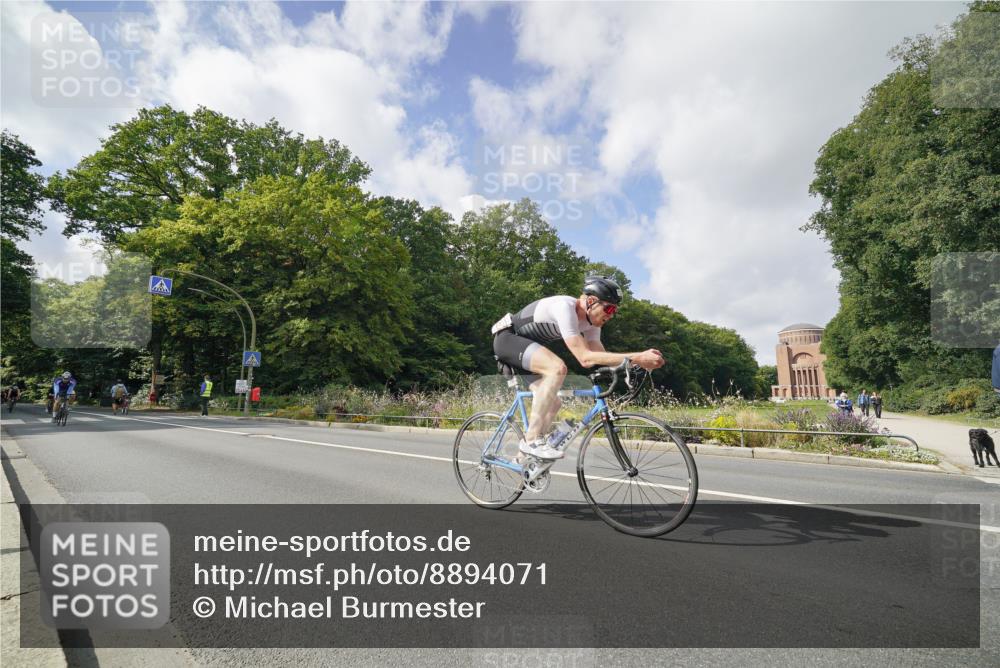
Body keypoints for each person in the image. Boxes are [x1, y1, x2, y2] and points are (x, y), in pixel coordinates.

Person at [491, 275, 665, 460]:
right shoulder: (565, 308)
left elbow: (600, 356)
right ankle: (532, 441)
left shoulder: (592, 323)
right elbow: (585, 358)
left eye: (615, 310)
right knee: (557, 368)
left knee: (554, 402)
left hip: (529, 350)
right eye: (610, 308)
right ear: (591, 301)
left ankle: (523, 461)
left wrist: (634, 364)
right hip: (508, 339)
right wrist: (637, 357)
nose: (612, 314)